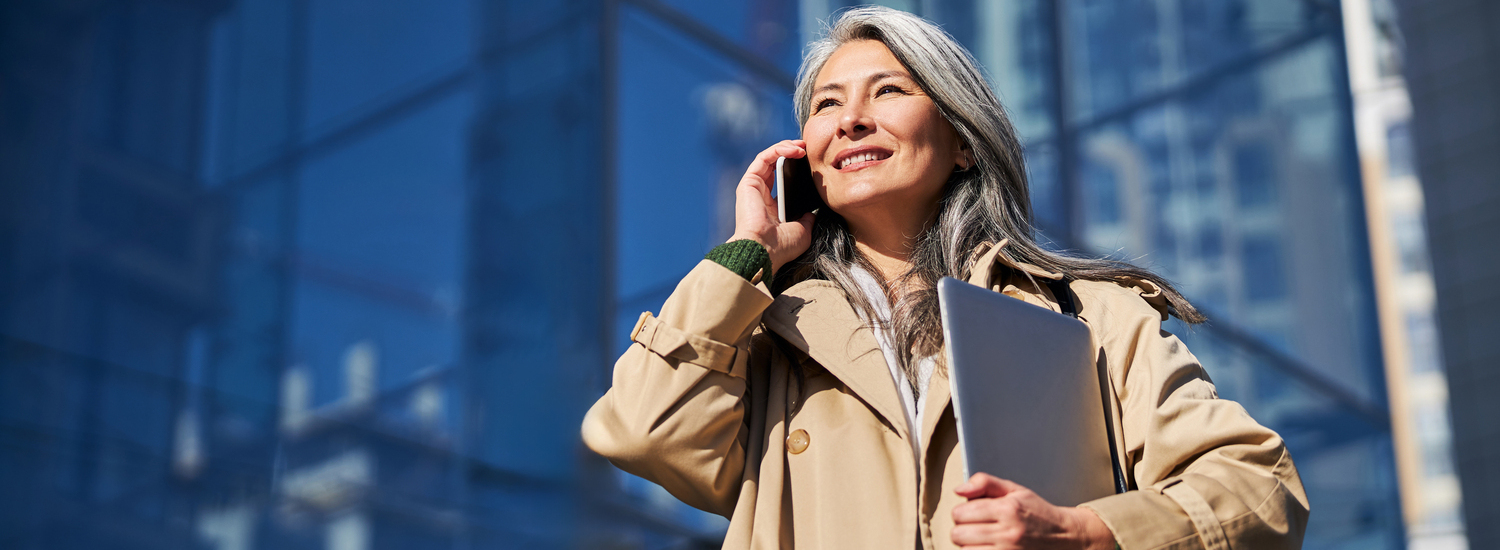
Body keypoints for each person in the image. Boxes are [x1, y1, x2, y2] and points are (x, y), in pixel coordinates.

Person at [582, 6, 1308, 550]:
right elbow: (641, 434)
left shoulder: (1086, 315)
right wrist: (747, 258)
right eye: (827, 105)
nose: (851, 121)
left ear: (962, 141)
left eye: (887, 92)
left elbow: (1258, 487)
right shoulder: (762, 333)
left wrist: (1086, 532)